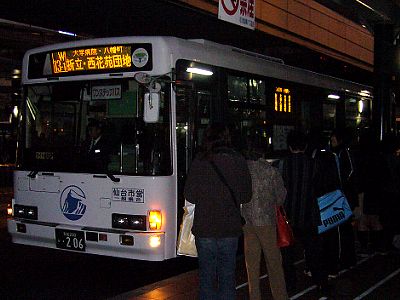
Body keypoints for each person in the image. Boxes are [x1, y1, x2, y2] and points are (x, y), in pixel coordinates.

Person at [184, 123, 252, 300]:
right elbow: (246, 196)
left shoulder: (200, 161)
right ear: (227, 138)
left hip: (205, 228)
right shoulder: (238, 160)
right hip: (230, 229)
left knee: (206, 277)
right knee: (227, 277)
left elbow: (189, 194)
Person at [280, 130, 328, 293]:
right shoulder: (314, 164)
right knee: (314, 251)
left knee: (287, 254)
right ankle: (321, 282)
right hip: (309, 215)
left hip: (289, 216)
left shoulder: (282, 164)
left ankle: (290, 284)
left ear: (289, 146)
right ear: (305, 146)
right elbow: (321, 188)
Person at [242, 146, 288, 300]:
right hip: (267, 221)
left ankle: (254, 296)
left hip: (247, 222)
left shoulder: (243, 170)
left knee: (252, 264)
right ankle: (280, 296)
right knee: (274, 262)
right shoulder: (271, 171)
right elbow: (280, 197)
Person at [330, 128, 357, 269]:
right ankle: (347, 257)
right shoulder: (340, 152)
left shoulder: (343, 153)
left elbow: (350, 172)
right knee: (344, 228)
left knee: (343, 229)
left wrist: (340, 184)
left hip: (344, 196)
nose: (331, 143)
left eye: (333, 140)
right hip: (344, 196)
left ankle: (346, 258)